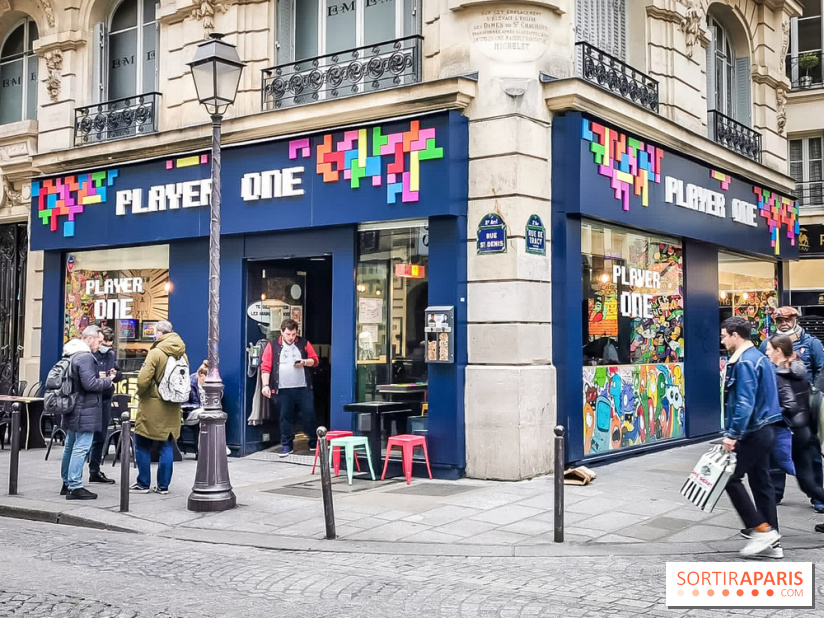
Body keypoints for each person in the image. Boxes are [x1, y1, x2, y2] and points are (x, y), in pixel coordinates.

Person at [721, 316, 783, 557]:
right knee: (761, 483)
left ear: (736, 335)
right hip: (766, 429)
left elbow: (744, 403)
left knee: (730, 478)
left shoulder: (745, 362)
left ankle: (761, 530)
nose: (723, 340)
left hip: (753, 431)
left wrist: (732, 434)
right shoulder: (759, 358)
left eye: (725, 335)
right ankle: (773, 544)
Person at [760, 306, 824, 512]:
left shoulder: (812, 343)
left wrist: (815, 395)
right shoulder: (766, 344)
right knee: (775, 453)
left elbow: (822, 370)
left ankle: (818, 497)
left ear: (795, 319)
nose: (783, 323)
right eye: (779, 321)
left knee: (810, 454)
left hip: (804, 409)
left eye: (787, 319)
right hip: (777, 410)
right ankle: (776, 494)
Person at [132, 320, 187, 494]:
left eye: (155, 332)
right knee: (166, 445)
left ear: (160, 333)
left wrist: (141, 393)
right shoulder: (182, 353)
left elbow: (143, 380)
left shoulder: (156, 352)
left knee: (141, 442)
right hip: (173, 405)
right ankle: (163, 486)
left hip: (152, 404)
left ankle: (143, 483)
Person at [60, 325, 113, 500]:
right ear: (89, 339)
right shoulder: (86, 357)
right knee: (81, 447)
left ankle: (67, 482)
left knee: (70, 445)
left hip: (73, 406)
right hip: (86, 408)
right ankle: (75, 485)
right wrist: (107, 381)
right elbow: (90, 384)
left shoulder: (71, 354)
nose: (100, 344)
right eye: (98, 340)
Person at [260, 318, 319, 457]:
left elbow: (315, 360)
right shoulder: (272, 346)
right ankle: (287, 445)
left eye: (293, 334)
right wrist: (265, 385)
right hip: (283, 388)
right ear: (282, 332)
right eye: (288, 334)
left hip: (303, 387)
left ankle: (313, 441)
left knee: (308, 414)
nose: (291, 337)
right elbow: (266, 367)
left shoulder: (304, 343)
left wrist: (304, 362)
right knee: (285, 416)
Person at [88, 326, 122, 484]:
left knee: (101, 436)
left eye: (108, 344)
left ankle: (94, 470)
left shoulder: (111, 354)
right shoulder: (88, 353)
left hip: (105, 397)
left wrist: (114, 375)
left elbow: (118, 373)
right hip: (90, 398)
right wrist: (99, 376)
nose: (105, 347)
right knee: (84, 438)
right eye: (103, 343)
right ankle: (72, 477)